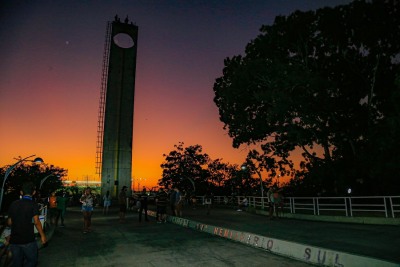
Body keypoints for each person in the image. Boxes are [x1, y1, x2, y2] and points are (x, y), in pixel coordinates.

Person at [7, 181, 47, 267]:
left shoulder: (13, 204)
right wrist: (42, 235)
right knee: (32, 261)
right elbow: (37, 222)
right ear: (34, 192)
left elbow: (9, 222)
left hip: (14, 240)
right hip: (28, 240)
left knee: (17, 263)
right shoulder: (33, 204)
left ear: (21, 192)